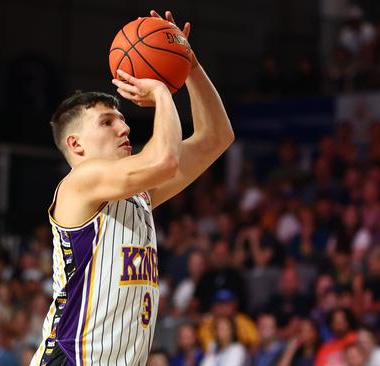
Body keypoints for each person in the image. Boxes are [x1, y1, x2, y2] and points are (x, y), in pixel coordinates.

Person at [30, 9, 235, 366]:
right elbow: (165, 160)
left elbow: (216, 137)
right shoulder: (79, 183)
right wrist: (160, 90)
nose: (124, 129)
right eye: (107, 122)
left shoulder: (138, 194)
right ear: (76, 144)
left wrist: (189, 66)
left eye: (123, 120)